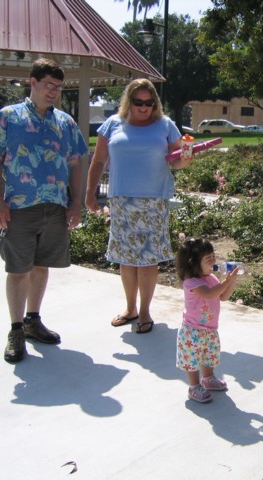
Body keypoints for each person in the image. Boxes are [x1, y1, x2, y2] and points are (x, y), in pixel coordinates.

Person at [0, 58, 88, 363]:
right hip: (19, 207)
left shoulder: (65, 123)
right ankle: (15, 330)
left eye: (58, 87)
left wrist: (76, 202)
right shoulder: (8, 117)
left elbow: (75, 163)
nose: (54, 91)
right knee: (18, 269)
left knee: (42, 265)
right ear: (33, 82)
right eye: (48, 85)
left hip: (55, 208)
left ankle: (32, 320)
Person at [85, 79, 191, 334]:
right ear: (128, 101)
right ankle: (130, 308)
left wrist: (186, 158)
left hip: (154, 200)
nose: (144, 107)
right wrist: (89, 192)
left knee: (147, 260)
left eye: (149, 102)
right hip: (121, 200)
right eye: (138, 102)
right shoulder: (112, 124)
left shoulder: (165, 125)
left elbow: (177, 161)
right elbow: (99, 161)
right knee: (126, 258)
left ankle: (144, 311)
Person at [175, 238, 239, 403]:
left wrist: (231, 282)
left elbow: (223, 296)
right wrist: (226, 281)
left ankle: (208, 378)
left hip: (210, 328)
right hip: (192, 330)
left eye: (213, 256)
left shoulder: (211, 278)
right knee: (192, 359)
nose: (213, 261)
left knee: (209, 355)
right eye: (208, 259)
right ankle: (194, 386)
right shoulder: (192, 282)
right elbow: (209, 294)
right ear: (193, 264)